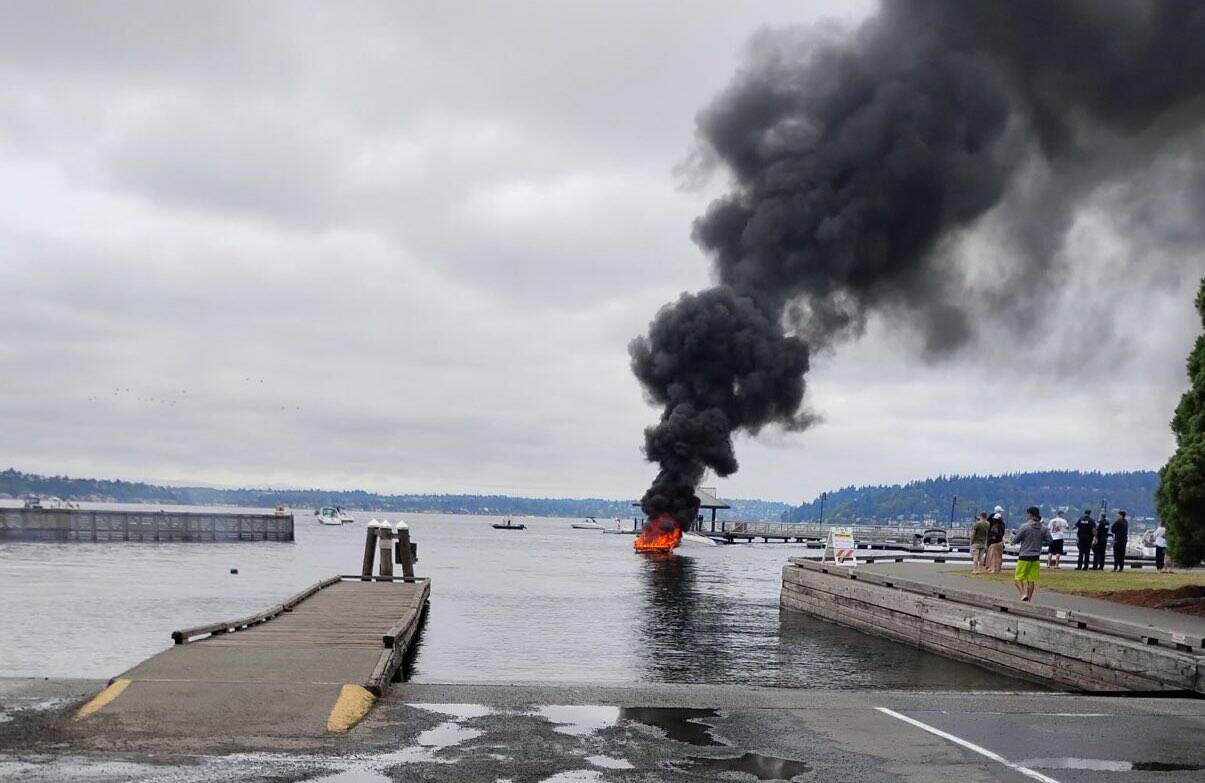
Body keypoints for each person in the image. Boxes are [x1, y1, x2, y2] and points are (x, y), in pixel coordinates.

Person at [1013, 506, 1052, 601]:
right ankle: (1029, 599)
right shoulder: (1043, 528)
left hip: (1024, 555)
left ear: (1030, 514)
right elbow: (1050, 541)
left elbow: (1015, 540)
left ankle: (1023, 594)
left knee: (1018, 578)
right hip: (1035, 557)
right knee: (1031, 579)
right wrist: (1040, 542)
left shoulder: (1025, 526)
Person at [986, 507, 1006, 574]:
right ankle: (998, 569)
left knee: (993, 556)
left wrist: (991, 540)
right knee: (999, 556)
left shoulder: (995, 527)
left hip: (995, 543)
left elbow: (994, 536)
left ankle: (993, 569)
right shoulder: (1002, 525)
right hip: (1000, 541)